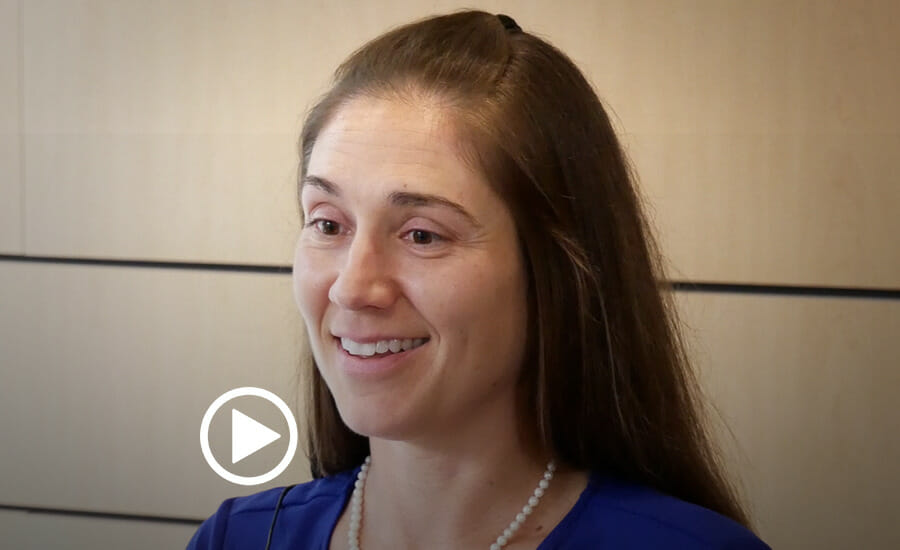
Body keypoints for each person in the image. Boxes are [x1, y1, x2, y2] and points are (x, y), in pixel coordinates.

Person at [188, 10, 770, 549]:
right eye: (328, 224)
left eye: (422, 234)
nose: (351, 288)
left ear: (555, 277)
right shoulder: (236, 539)